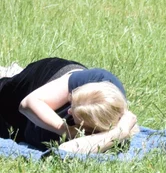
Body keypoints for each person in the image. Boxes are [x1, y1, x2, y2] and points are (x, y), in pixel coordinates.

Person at [0, 58, 138, 153]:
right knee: (5, 93)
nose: (70, 111)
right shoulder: (99, 80)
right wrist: (67, 130)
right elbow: (27, 104)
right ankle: (10, 73)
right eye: (72, 104)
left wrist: (120, 133)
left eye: (75, 114)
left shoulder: (113, 124)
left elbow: (66, 150)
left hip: (28, 126)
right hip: (45, 76)